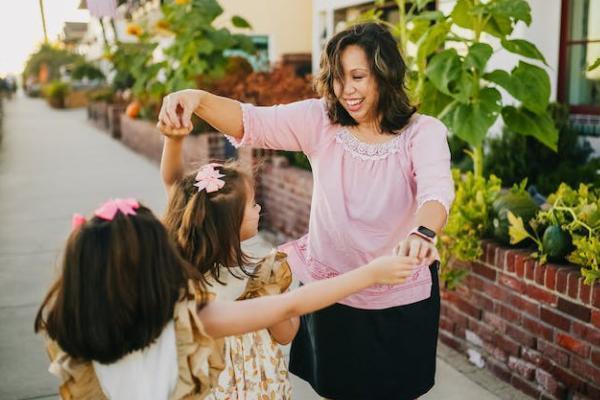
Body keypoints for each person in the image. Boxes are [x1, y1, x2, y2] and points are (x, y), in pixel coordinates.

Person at [157, 22, 454, 399]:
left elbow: (436, 189)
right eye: (337, 78)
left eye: (358, 76)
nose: (346, 90)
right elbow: (252, 121)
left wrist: (422, 233)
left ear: (386, 74)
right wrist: (195, 98)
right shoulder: (321, 120)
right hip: (329, 294)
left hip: (399, 296)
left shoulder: (422, 132)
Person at [34, 198, 419, 399]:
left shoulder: (72, 337)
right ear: (155, 266)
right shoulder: (188, 321)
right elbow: (288, 306)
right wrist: (369, 274)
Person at [160, 149, 297, 398]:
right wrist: (286, 302)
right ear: (230, 223)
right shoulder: (262, 276)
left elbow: (170, 181)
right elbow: (286, 334)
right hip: (260, 388)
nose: (258, 209)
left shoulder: (186, 277)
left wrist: (174, 140)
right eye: (252, 204)